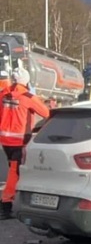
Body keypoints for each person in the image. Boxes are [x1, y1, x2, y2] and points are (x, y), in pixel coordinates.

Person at [1, 67, 50, 218]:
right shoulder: (28, 97)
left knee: (14, 169)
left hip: (4, 140)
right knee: (14, 172)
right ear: (27, 81)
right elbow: (47, 113)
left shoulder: (3, 94)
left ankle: (12, 199)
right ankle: (5, 204)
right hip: (20, 140)